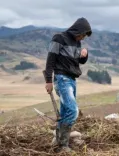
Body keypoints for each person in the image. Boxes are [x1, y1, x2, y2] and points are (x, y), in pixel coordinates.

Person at [44, 17, 92, 152]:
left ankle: (58, 142)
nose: (82, 38)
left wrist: (84, 56)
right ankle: (63, 145)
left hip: (71, 79)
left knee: (65, 112)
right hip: (62, 78)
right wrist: (48, 81)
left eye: (84, 36)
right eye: (82, 34)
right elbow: (50, 60)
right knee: (73, 111)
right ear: (77, 30)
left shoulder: (77, 43)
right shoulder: (59, 38)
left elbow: (78, 62)